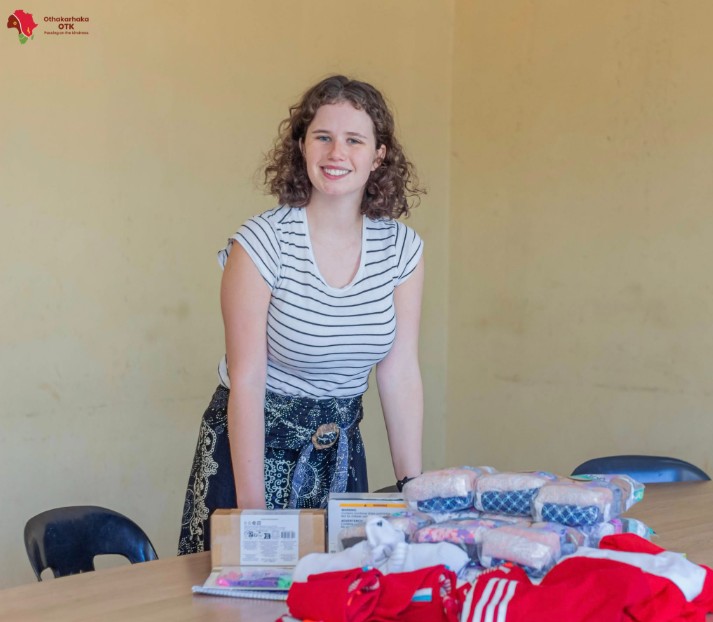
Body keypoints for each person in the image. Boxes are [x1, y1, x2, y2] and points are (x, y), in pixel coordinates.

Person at [178, 75, 426, 554]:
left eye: (355, 140)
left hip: (342, 451)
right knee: (245, 602)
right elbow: (247, 380)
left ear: (379, 155)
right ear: (301, 146)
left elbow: (400, 371)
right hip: (253, 451)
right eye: (323, 137)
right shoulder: (260, 244)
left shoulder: (403, 249)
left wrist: (411, 488)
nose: (337, 153)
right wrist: (253, 516)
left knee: (341, 597)